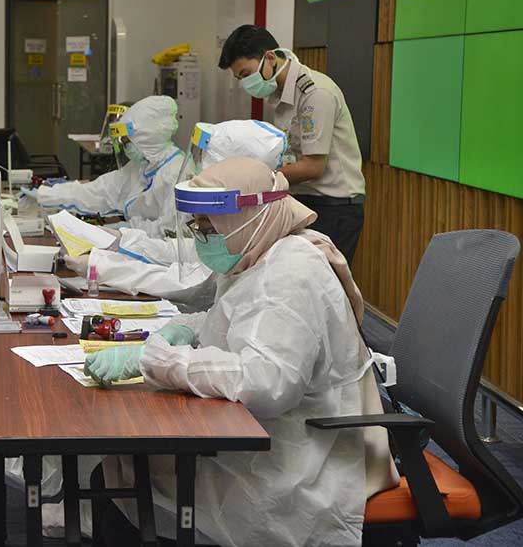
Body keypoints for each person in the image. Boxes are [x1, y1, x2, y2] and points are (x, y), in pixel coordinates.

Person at [84, 157, 398, 546]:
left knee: (124, 478)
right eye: (197, 226)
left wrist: (161, 362)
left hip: (299, 460)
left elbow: (266, 382)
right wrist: (187, 328)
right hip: (273, 432)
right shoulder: (263, 252)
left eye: (208, 226)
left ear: (249, 216)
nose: (202, 236)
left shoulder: (289, 275)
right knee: (120, 471)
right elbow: (234, 321)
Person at [63, 119, 287, 307]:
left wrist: (104, 266)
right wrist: (121, 241)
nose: (198, 165)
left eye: (206, 157)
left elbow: (192, 283)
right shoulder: (243, 223)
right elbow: (185, 255)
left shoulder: (266, 239)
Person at [219, 24, 366, 263]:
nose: (244, 84)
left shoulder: (314, 93)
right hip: (307, 198)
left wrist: (261, 177)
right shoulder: (279, 94)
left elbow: (312, 167)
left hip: (335, 205)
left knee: (323, 286)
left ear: (269, 58)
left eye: (246, 74)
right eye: (239, 78)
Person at [31, 95, 184, 238]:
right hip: (137, 245)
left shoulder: (176, 174)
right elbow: (100, 191)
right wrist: (46, 194)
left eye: (126, 141)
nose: (125, 148)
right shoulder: (142, 166)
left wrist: (121, 232)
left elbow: (168, 232)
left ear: (146, 138)